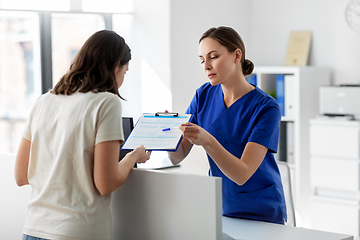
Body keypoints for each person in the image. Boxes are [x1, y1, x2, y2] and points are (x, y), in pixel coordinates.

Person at [14, 30, 151, 240]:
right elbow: (105, 184)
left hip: (33, 229)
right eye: (125, 72)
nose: (123, 78)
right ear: (116, 66)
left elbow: (21, 176)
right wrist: (134, 156)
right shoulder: (107, 102)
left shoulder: (44, 101)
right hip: (77, 232)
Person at [168, 26, 287, 224]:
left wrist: (207, 141)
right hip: (221, 207)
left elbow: (242, 174)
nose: (206, 66)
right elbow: (176, 156)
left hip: (261, 210)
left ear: (236, 55)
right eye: (202, 60)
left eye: (213, 56)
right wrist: (167, 133)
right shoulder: (203, 95)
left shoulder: (266, 108)